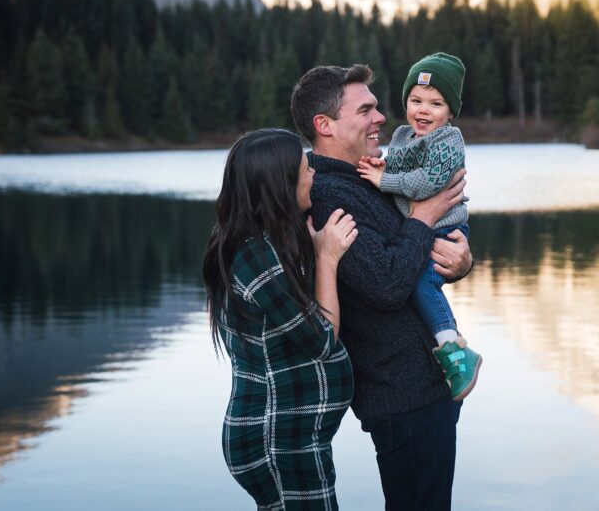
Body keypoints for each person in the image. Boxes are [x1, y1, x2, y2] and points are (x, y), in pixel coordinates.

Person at [290, 64, 473, 511]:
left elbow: (412, 258)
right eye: (365, 109)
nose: (380, 118)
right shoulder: (327, 193)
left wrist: (461, 261)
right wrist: (424, 217)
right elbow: (386, 284)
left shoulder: (364, 176)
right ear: (324, 125)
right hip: (399, 392)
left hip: (425, 386)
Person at [202, 128, 359, 511]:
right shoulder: (254, 256)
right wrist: (327, 258)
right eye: (306, 168)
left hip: (293, 436)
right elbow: (322, 341)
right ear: (280, 183)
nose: (312, 175)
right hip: (279, 439)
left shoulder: (268, 242)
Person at [356, 52, 481, 401]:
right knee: (416, 281)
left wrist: (384, 181)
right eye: (416, 100)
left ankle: (455, 349)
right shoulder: (401, 136)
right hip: (422, 229)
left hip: (445, 229)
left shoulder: (448, 142)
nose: (423, 110)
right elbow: (393, 165)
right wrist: (377, 165)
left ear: (451, 112)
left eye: (436, 103)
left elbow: (427, 183)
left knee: (423, 283)